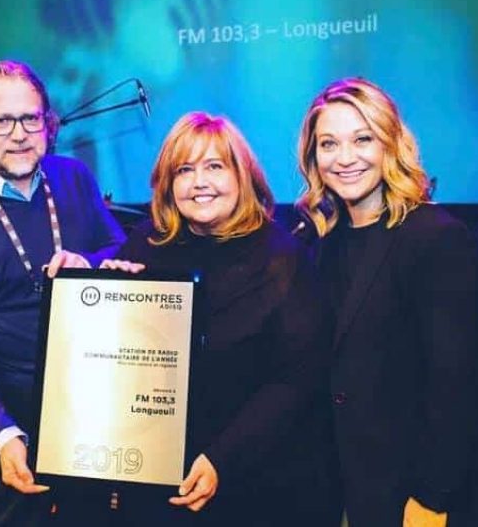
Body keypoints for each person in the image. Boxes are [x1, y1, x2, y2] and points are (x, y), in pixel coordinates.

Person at [101, 112, 341, 525]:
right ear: (168, 183)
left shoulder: (283, 258)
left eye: (215, 166)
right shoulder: (146, 244)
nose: (199, 182)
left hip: (258, 480)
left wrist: (221, 459)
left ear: (242, 175)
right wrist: (110, 299)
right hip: (161, 479)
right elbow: (120, 362)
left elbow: (295, 380)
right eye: (185, 170)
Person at [0, 60, 126, 525]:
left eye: (30, 118)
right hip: (16, 408)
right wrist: (1, 432)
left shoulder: (73, 178)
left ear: (47, 123)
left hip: (91, 389)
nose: (18, 134)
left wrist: (90, 264)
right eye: (1, 120)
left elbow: (117, 247)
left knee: (90, 515)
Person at [295, 77, 478, 526]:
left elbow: (457, 384)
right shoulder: (318, 241)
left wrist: (433, 497)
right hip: (336, 486)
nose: (345, 158)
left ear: (390, 144)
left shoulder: (435, 238)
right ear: (313, 157)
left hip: (410, 492)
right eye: (328, 144)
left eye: (362, 139)